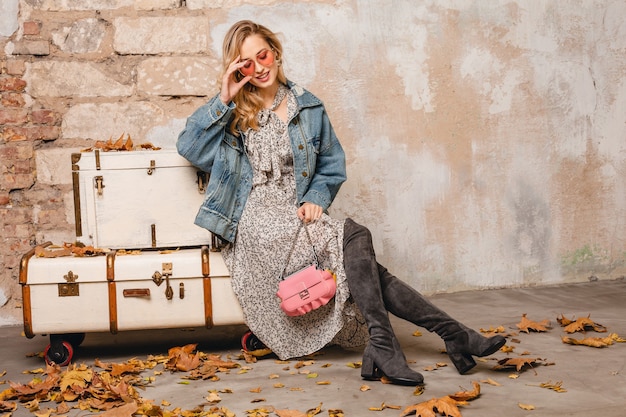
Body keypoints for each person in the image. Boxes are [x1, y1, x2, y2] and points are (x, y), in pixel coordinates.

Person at [177, 20, 505, 386]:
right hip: (255, 218)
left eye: (262, 55)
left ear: (275, 50)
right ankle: (447, 336)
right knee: (356, 240)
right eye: (246, 64)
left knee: (357, 250)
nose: (259, 67)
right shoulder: (234, 113)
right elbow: (189, 147)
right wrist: (224, 95)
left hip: (298, 212)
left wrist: (317, 198)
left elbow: (332, 165)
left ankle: (401, 342)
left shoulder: (309, 107)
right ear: (237, 69)